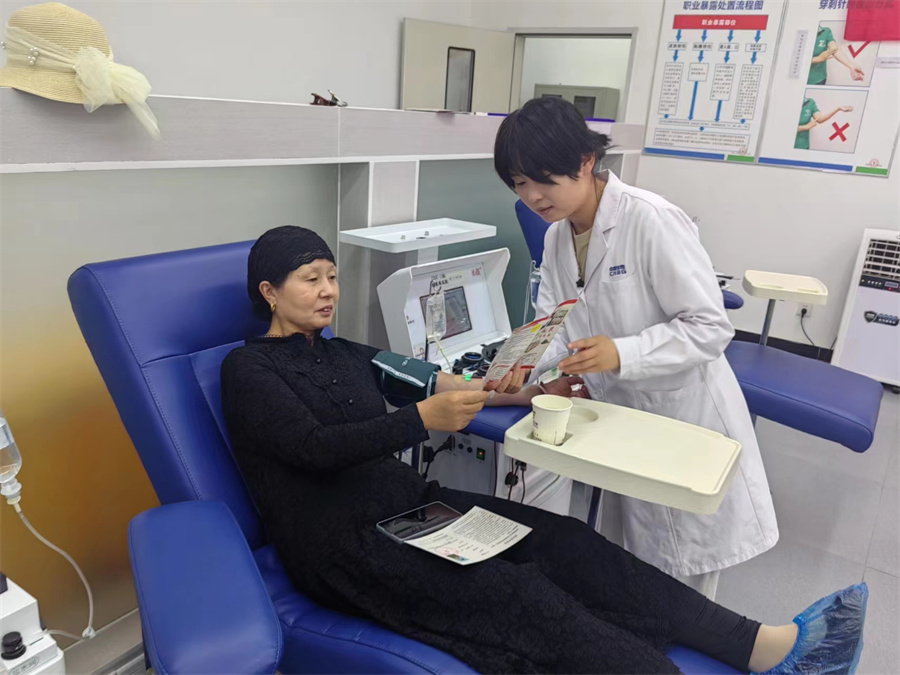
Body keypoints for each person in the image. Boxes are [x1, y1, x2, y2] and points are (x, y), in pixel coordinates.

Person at [220, 225, 868, 675]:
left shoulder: (345, 351)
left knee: (565, 542)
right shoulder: (247, 369)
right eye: (310, 278)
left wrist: (528, 390)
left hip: (415, 509)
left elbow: (443, 383)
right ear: (269, 291)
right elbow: (313, 448)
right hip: (345, 548)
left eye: (333, 276)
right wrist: (419, 421)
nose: (328, 290)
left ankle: (763, 645)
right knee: (521, 597)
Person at [494, 97, 777, 599]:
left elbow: (710, 326)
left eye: (543, 179)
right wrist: (523, 361)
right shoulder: (558, 238)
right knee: (633, 575)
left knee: (684, 587)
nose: (533, 196)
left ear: (585, 161)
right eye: (518, 183)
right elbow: (554, 322)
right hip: (623, 421)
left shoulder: (651, 219)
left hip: (683, 419)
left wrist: (624, 353)